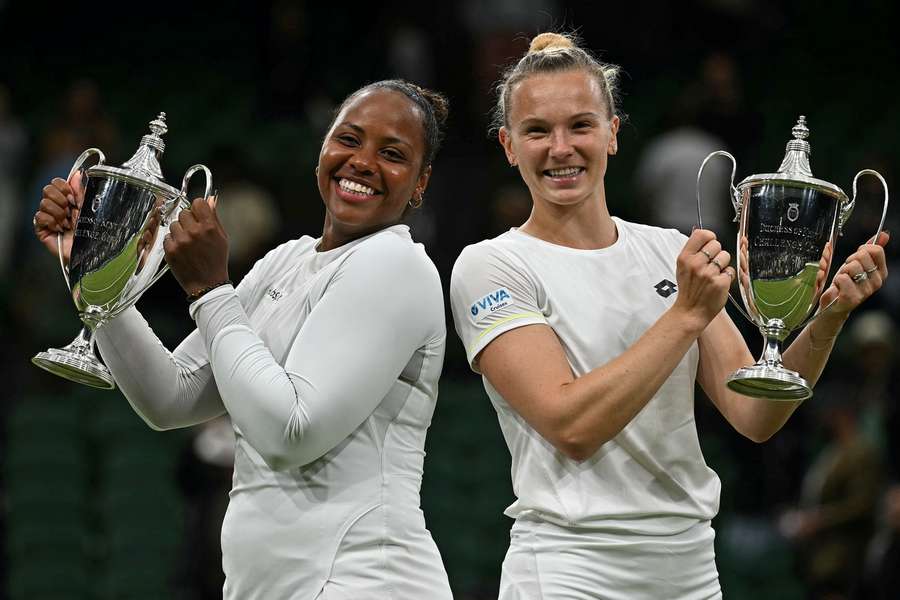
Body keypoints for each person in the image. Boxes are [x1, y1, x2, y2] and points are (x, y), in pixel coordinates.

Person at [448, 32, 889, 599]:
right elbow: (571, 427)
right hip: (569, 571)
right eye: (538, 131)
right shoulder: (491, 266)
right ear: (509, 145)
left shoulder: (666, 251)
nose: (561, 148)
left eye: (581, 125)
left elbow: (754, 416)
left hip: (690, 572)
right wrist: (683, 314)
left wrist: (827, 318)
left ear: (613, 133)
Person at [34, 80, 453, 600]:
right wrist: (91, 267)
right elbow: (171, 398)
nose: (362, 162)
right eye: (349, 139)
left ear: (420, 182)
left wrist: (210, 290)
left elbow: (289, 435)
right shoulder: (286, 260)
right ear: (323, 147)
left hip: (364, 581)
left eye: (392, 153)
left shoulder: (397, 265)